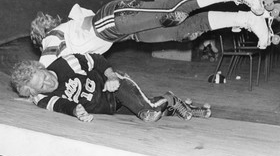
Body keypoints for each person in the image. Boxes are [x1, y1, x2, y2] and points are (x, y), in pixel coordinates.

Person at [31, 0, 271, 68]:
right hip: (125, 34)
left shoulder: (53, 37)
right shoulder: (69, 42)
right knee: (183, 32)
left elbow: (43, 66)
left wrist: (34, 94)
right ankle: (246, 19)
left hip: (113, 20)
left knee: (173, 9)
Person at [10, 53, 211, 122]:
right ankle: (184, 106)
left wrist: (112, 76)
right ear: (35, 93)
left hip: (115, 88)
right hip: (111, 109)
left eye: (44, 77)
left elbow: (96, 60)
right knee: (157, 111)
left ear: (42, 67)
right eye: (42, 87)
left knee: (147, 112)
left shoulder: (65, 63)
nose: (49, 83)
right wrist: (76, 111)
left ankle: (170, 99)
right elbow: (61, 105)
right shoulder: (41, 99)